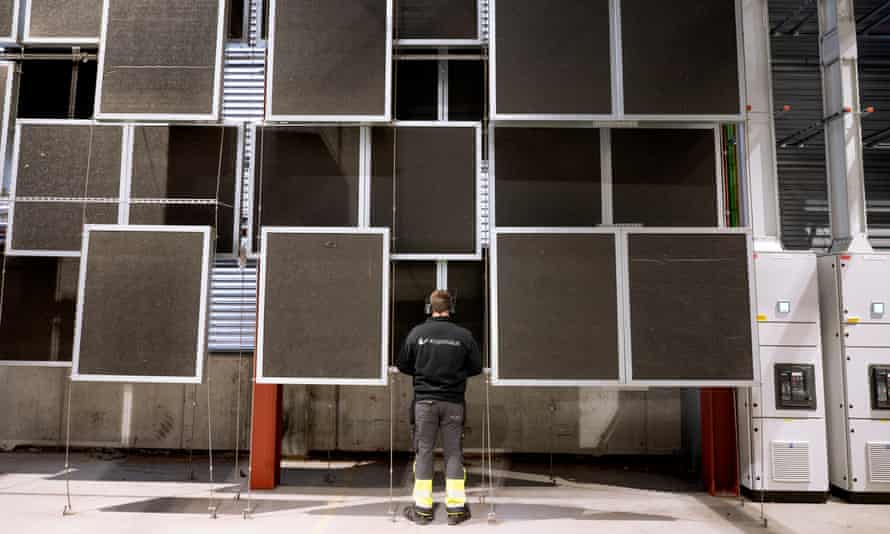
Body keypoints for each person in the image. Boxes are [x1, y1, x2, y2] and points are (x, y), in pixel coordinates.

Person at [396, 289, 483, 526]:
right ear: (451, 308)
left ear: (429, 307)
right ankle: (455, 510)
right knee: (454, 453)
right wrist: (454, 373)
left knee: (424, 451)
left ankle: (423, 510)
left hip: (424, 403)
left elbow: (403, 364)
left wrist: (424, 372)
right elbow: (476, 367)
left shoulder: (417, 333)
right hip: (453, 402)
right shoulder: (463, 335)